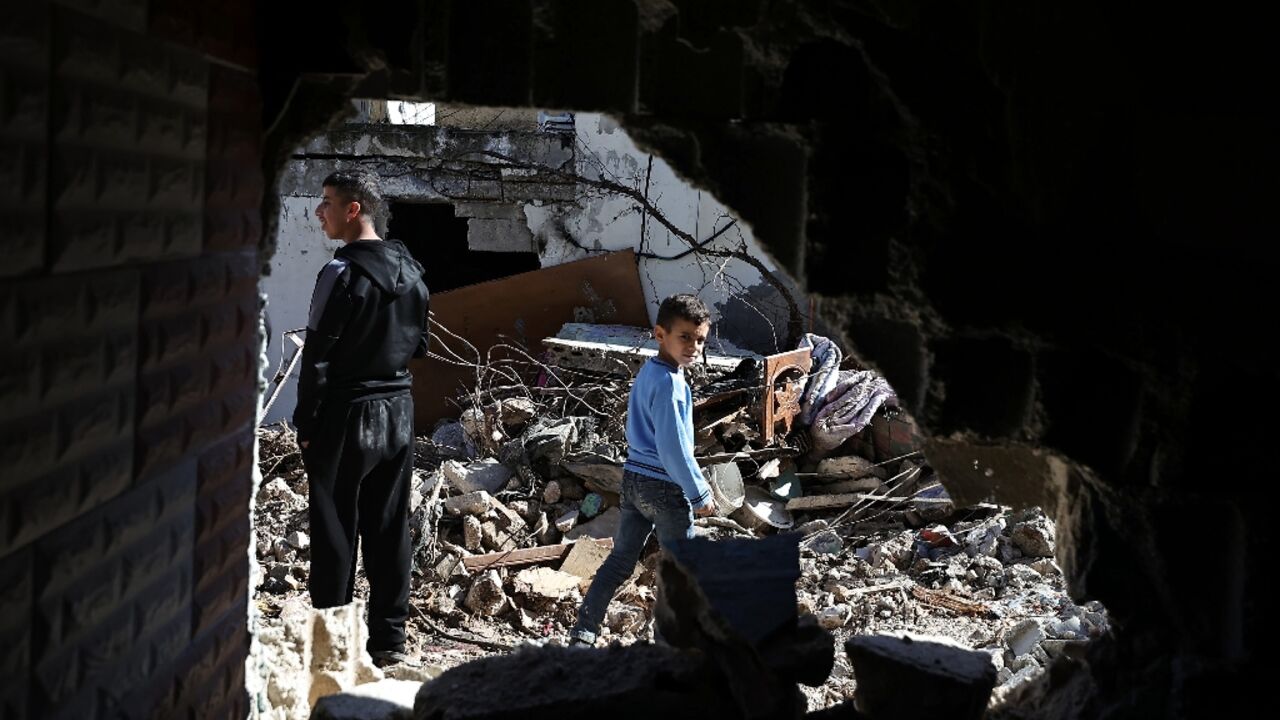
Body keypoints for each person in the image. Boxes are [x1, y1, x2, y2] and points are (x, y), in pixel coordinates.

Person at [293, 169, 430, 668]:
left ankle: (333, 645)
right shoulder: (413, 272)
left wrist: (306, 425)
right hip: (399, 412)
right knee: (390, 526)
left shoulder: (340, 273)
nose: (318, 211)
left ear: (353, 210)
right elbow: (420, 345)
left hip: (346, 414)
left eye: (326, 202)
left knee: (334, 530)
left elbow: (318, 356)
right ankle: (389, 642)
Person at [569, 293, 718, 646]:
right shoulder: (671, 385)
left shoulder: (649, 372)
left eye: (700, 340)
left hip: (634, 480)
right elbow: (672, 450)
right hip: (665, 488)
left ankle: (584, 632)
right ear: (660, 334)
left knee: (621, 560)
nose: (693, 347)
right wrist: (699, 492)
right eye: (685, 337)